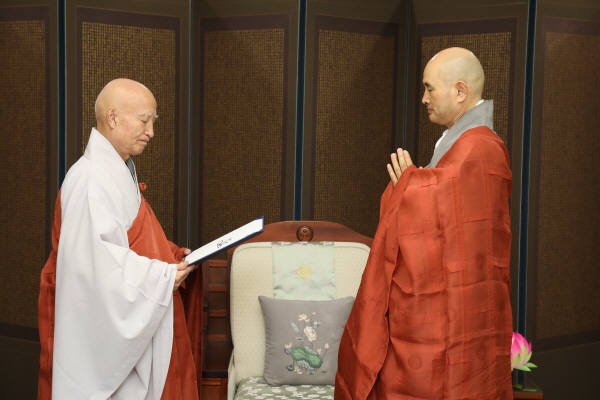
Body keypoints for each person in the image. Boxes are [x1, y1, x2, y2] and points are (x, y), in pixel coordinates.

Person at [335, 48, 513, 399]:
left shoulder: (478, 147)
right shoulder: (467, 142)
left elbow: (450, 220)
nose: (423, 98)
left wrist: (410, 188)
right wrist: (415, 186)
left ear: (459, 91)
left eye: (429, 88)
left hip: (461, 304)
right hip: (458, 301)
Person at [38, 79, 199, 400]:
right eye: (144, 120)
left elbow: (131, 239)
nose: (151, 131)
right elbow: (96, 268)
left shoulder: (115, 171)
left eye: (153, 121)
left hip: (140, 305)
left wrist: (171, 256)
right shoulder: (90, 181)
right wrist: (162, 275)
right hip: (104, 323)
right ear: (112, 117)